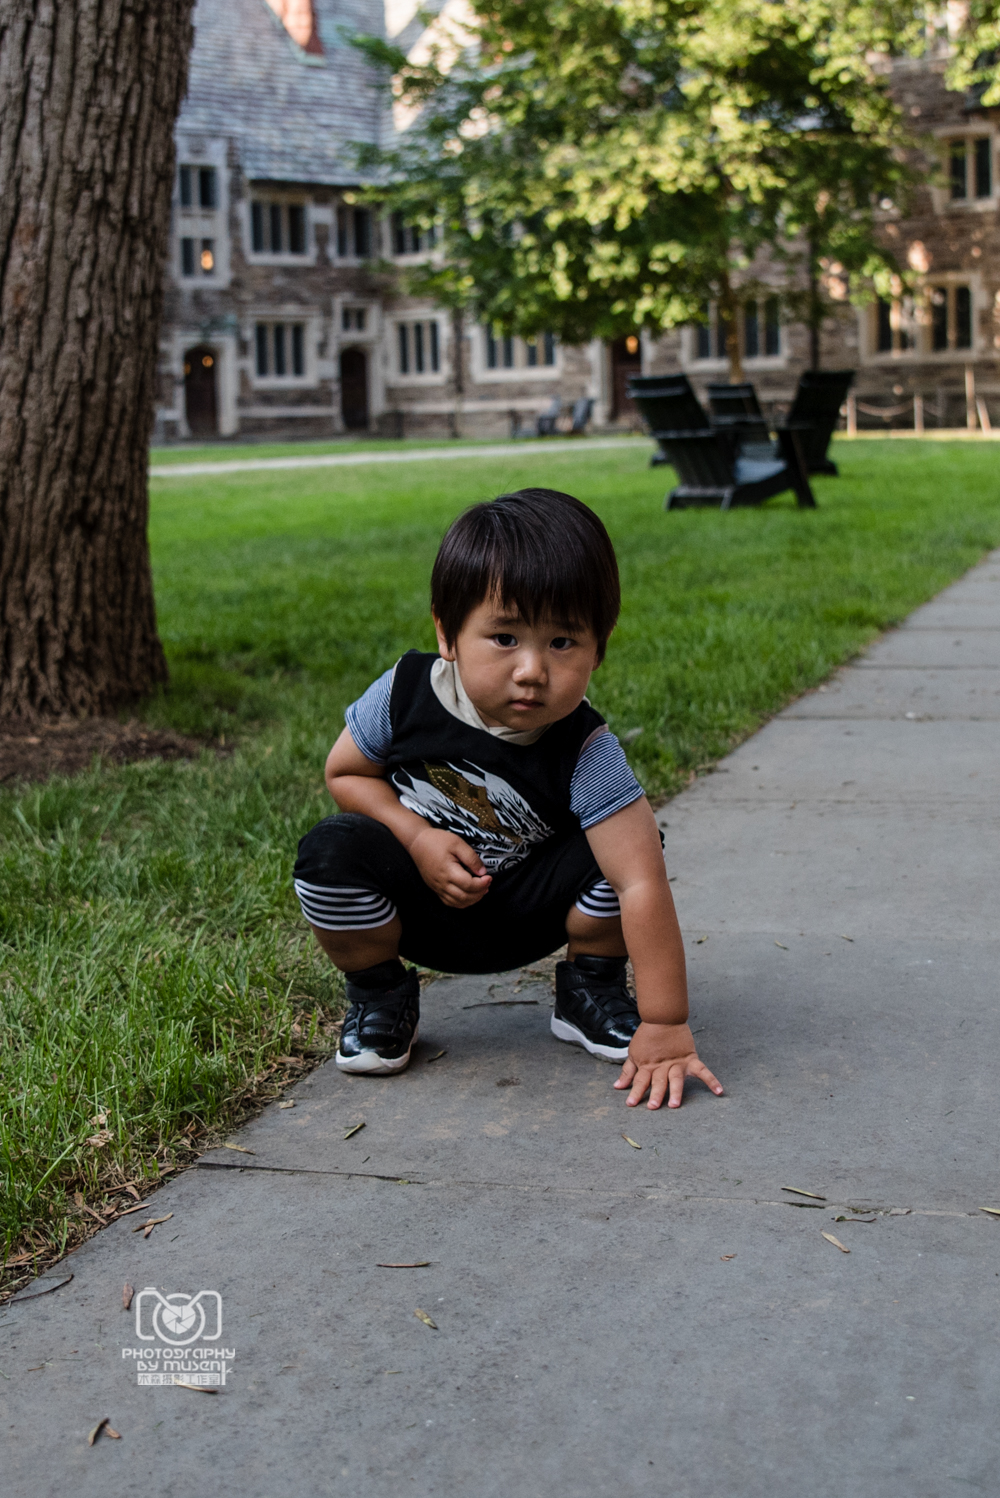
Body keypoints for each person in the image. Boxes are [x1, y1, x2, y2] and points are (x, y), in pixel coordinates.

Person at [293, 488, 723, 1111]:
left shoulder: (584, 749)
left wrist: (665, 1024)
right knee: (329, 854)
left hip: (527, 912)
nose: (531, 669)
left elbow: (641, 885)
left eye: (562, 643)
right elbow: (346, 773)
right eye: (504, 637)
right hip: (420, 904)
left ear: (600, 649)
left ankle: (589, 987)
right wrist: (415, 837)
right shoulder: (406, 692)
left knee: (629, 851)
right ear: (448, 632)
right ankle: (380, 994)